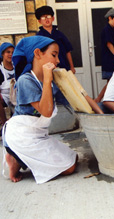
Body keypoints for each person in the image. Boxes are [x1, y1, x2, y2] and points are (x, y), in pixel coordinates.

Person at [2, 36, 79, 184]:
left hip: (39, 135)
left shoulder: (47, 78)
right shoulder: (25, 80)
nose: (58, 60)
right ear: (37, 53)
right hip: (22, 136)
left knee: (73, 157)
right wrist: (48, 80)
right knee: (69, 168)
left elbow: (75, 94)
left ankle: (20, 158)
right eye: (54, 55)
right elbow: (46, 111)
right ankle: (14, 158)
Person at [35, 6, 76, 74]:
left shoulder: (59, 34)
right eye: (43, 17)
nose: (46, 19)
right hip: (48, 70)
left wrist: (72, 67)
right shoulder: (39, 37)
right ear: (39, 21)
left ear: (53, 18)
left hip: (63, 68)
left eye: (48, 16)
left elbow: (67, 51)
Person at [96, 8, 114, 103]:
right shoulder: (107, 30)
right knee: (111, 82)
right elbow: (109, 44)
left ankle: (105, 99)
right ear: (110, 18)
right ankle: (99, 99)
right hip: (110, 60)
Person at [0, 43, 15, 125]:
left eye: (12, 52)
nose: (10, 54)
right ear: (2, 54)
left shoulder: (17, 66)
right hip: (4, 96)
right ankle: (4, 123)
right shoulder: (0, 68)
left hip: (16, 93)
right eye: (8, 52)